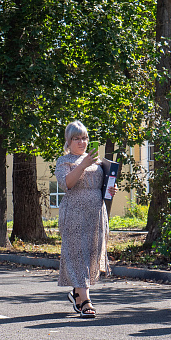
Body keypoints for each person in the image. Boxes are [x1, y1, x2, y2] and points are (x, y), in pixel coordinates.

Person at [55, 121, 115, 318]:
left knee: (90, 254)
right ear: (68, 141)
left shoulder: (97, 162)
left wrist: (110, 190)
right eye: (77, 138)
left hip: (96, 212)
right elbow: (67, 184)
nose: (82, 142)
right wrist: (82, 164)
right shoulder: (64, 161)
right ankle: (86, 300)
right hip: (74, 213)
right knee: (77, 254)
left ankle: (78, 295)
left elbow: (101, 186)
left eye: (84, 138)